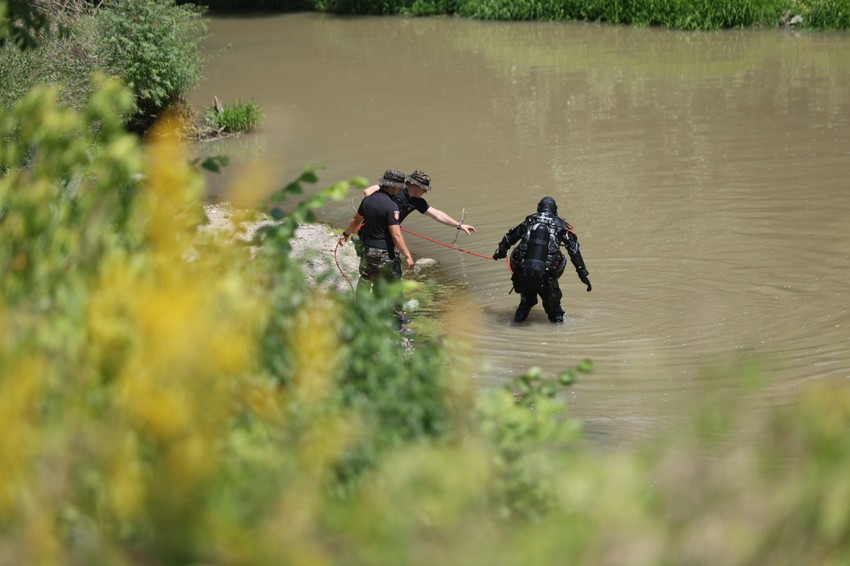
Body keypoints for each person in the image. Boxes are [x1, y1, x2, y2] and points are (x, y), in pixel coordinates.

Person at [492, 196, 591, 323]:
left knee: (526, 302)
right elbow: (574, 251)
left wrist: (499, 253)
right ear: (555, 210)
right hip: (547, 274)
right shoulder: (560, 225)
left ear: (539, 208)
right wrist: (583, 274)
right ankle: (558, 339)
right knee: (555, 311)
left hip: (523, 271)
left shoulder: (529, 221)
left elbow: (509, 239)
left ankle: (514, 330)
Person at [338, 169, 415, 329]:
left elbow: (356, 220)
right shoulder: (392, 206)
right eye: (399, 187)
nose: (400, 190)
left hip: (367, 250)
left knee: (366, 279)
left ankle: (361, 314)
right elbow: (396, 236)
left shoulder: (368, 200)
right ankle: (397, 325)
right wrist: (407, 255)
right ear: (393, 187)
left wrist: (345, 234)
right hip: (385, 253)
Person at [363, 170, 475, 235]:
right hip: (372, 229)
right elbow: (368, 191)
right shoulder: (396, 188)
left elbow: (437, 215)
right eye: (424, 189)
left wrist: (459, 225)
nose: (425, 192)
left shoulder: (417, 202)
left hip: (390, 233)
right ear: (416, 186)